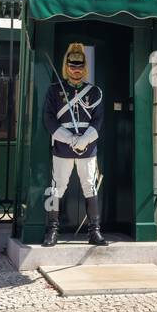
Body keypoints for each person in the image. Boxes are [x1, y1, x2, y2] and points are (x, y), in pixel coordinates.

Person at [42, 42, 108, 247]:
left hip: (87, 149)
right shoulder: (55, 91)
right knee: (56, 188)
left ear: (84, 67)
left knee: (90, 187)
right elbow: (49, 119)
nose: (76, 70)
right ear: (66, 66)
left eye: (79, 66)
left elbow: (98, 120)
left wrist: (84, 140)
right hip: (62, 148)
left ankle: (94, 232)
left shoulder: (94, 92)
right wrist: (70, 139)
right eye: (72, 66)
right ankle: (51, 231)